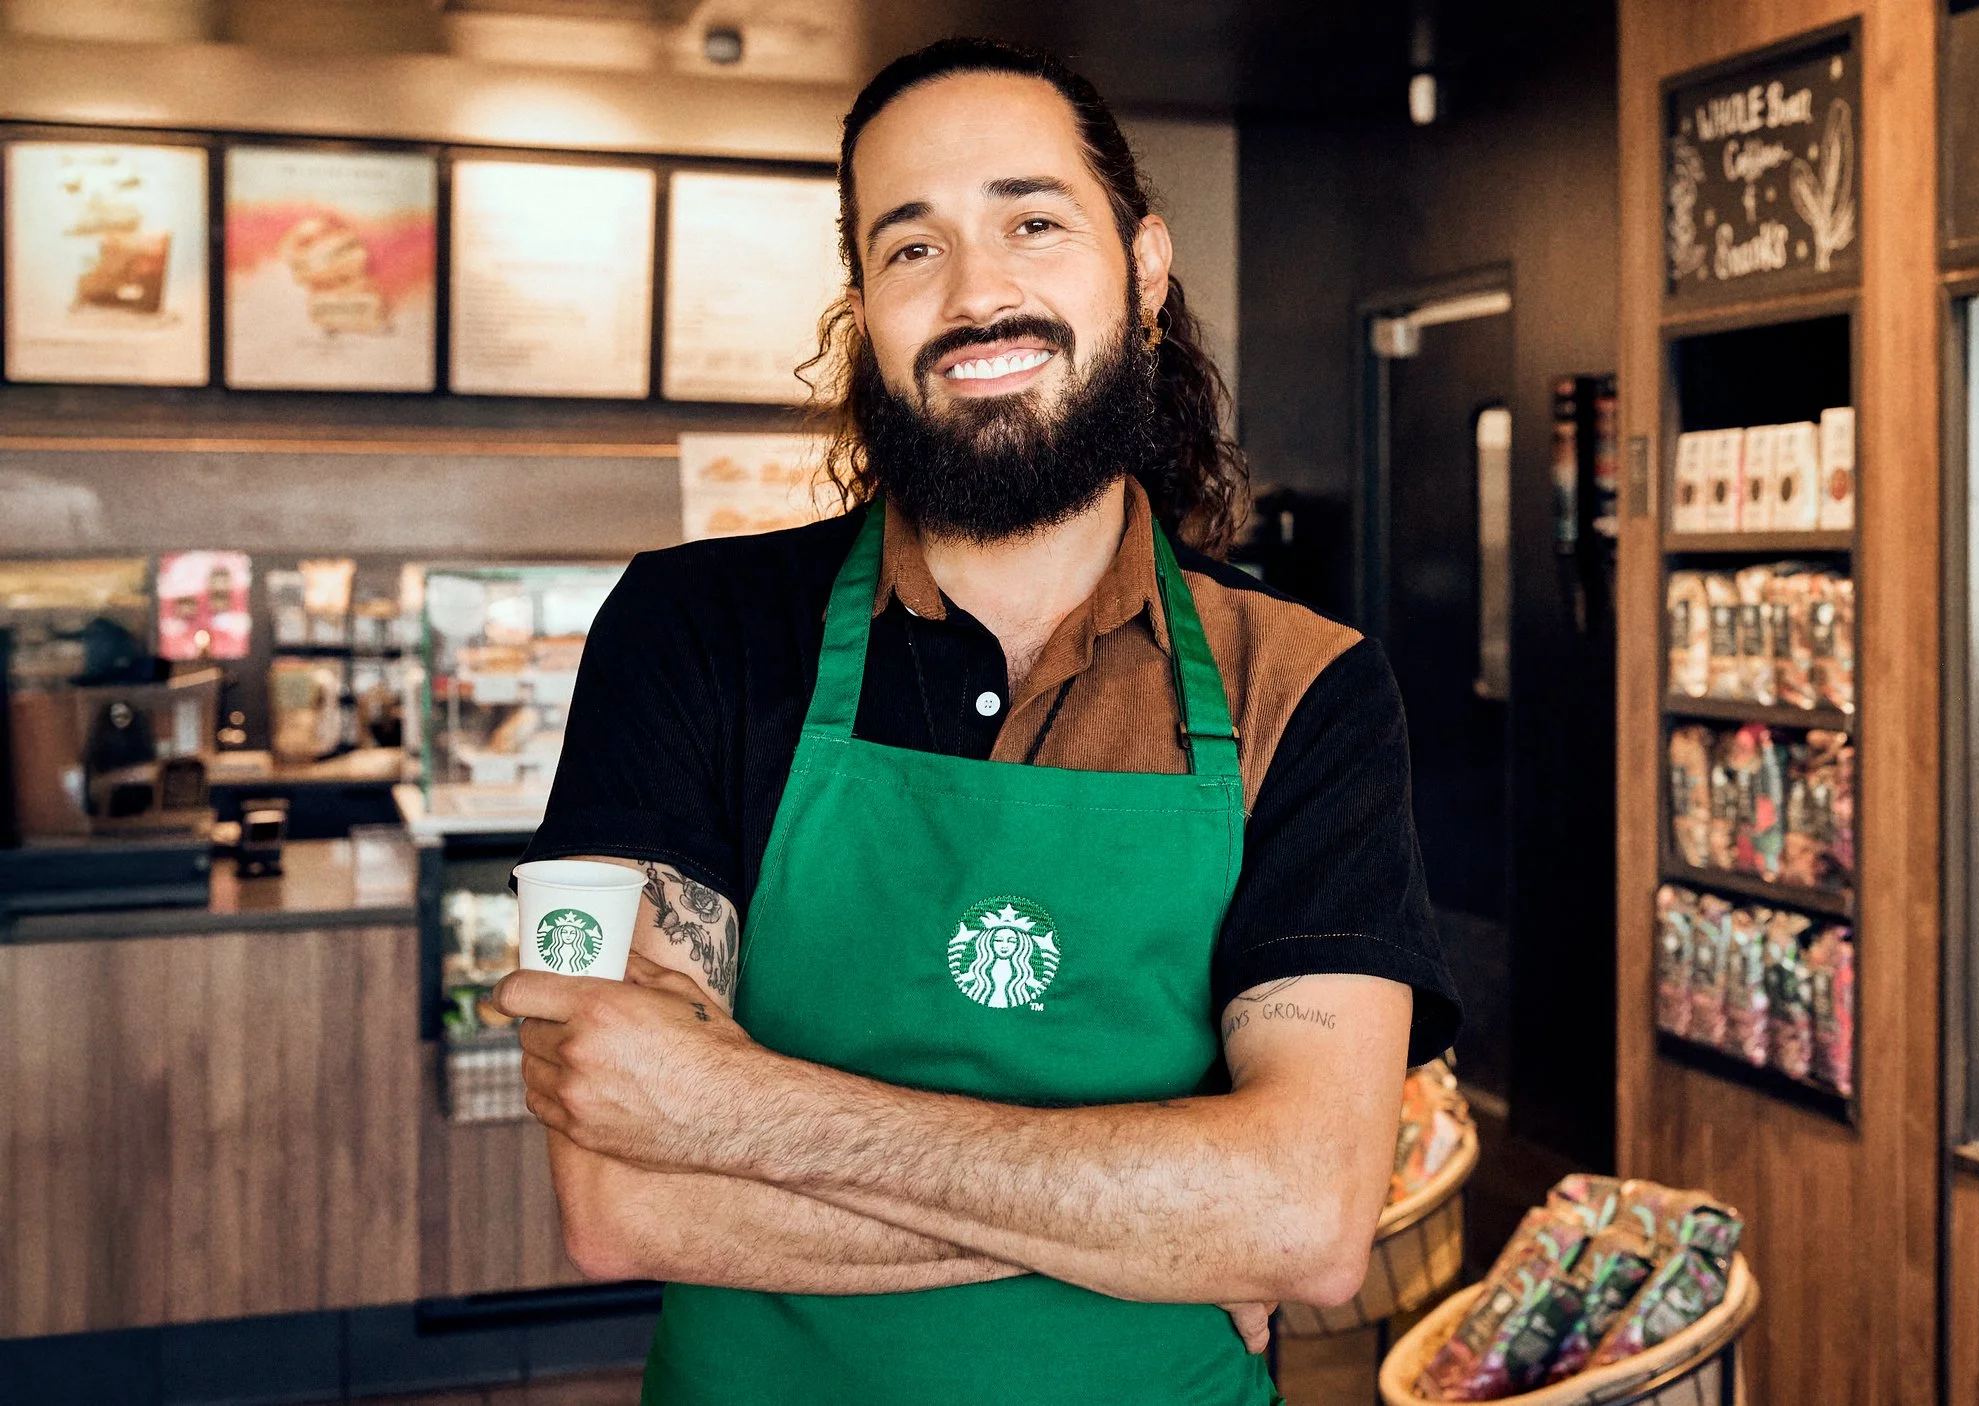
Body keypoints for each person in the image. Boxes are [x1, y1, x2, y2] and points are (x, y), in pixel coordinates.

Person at [492, 36, 1459, 1406]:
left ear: (1145, 265)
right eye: (910, 248)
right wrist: (1161, 1217)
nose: (977, 291)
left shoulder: (1304, 683)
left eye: (1033, 221)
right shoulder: (682, 631)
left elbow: (1303, 1221)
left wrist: (728, 1111)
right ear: (864, 310)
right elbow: (616, 1195)